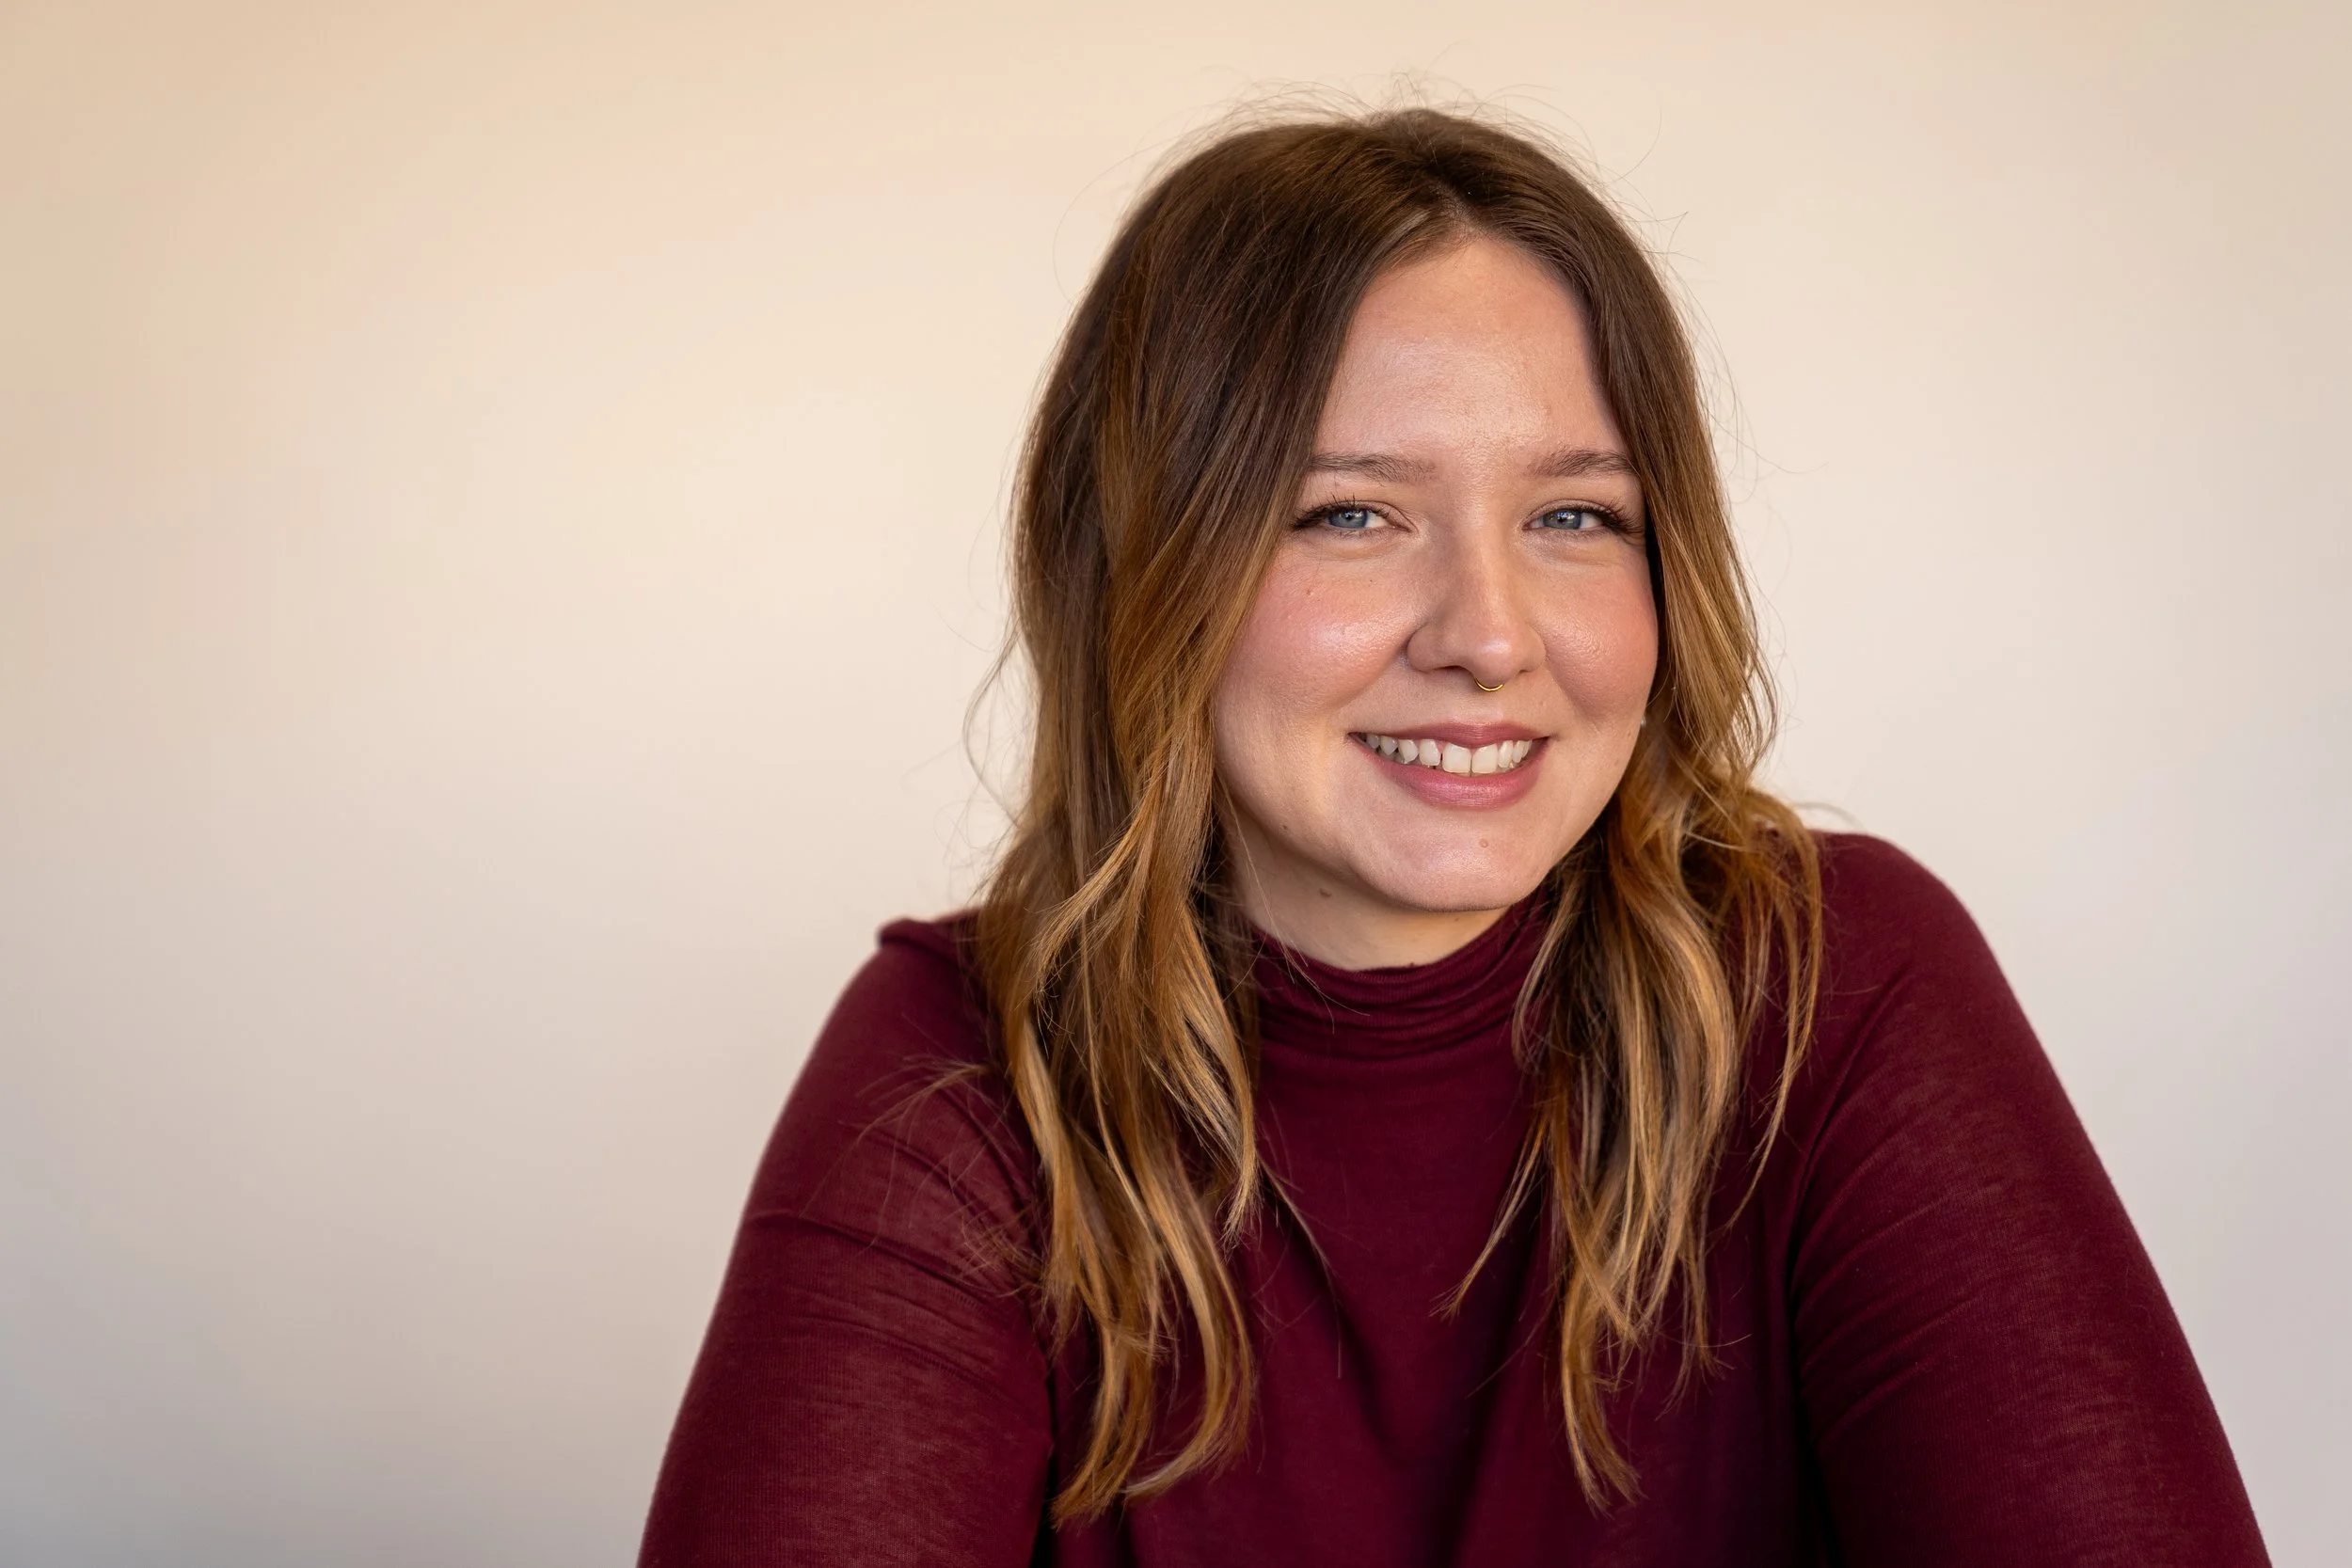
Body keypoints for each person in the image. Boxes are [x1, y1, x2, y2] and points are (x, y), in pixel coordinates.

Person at [637, 107, 2266, 1566]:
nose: (1491, 634)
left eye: (1575, 515)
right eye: (1350, 511)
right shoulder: (964, 1071)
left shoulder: (1835, 990)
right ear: (1143, 573)